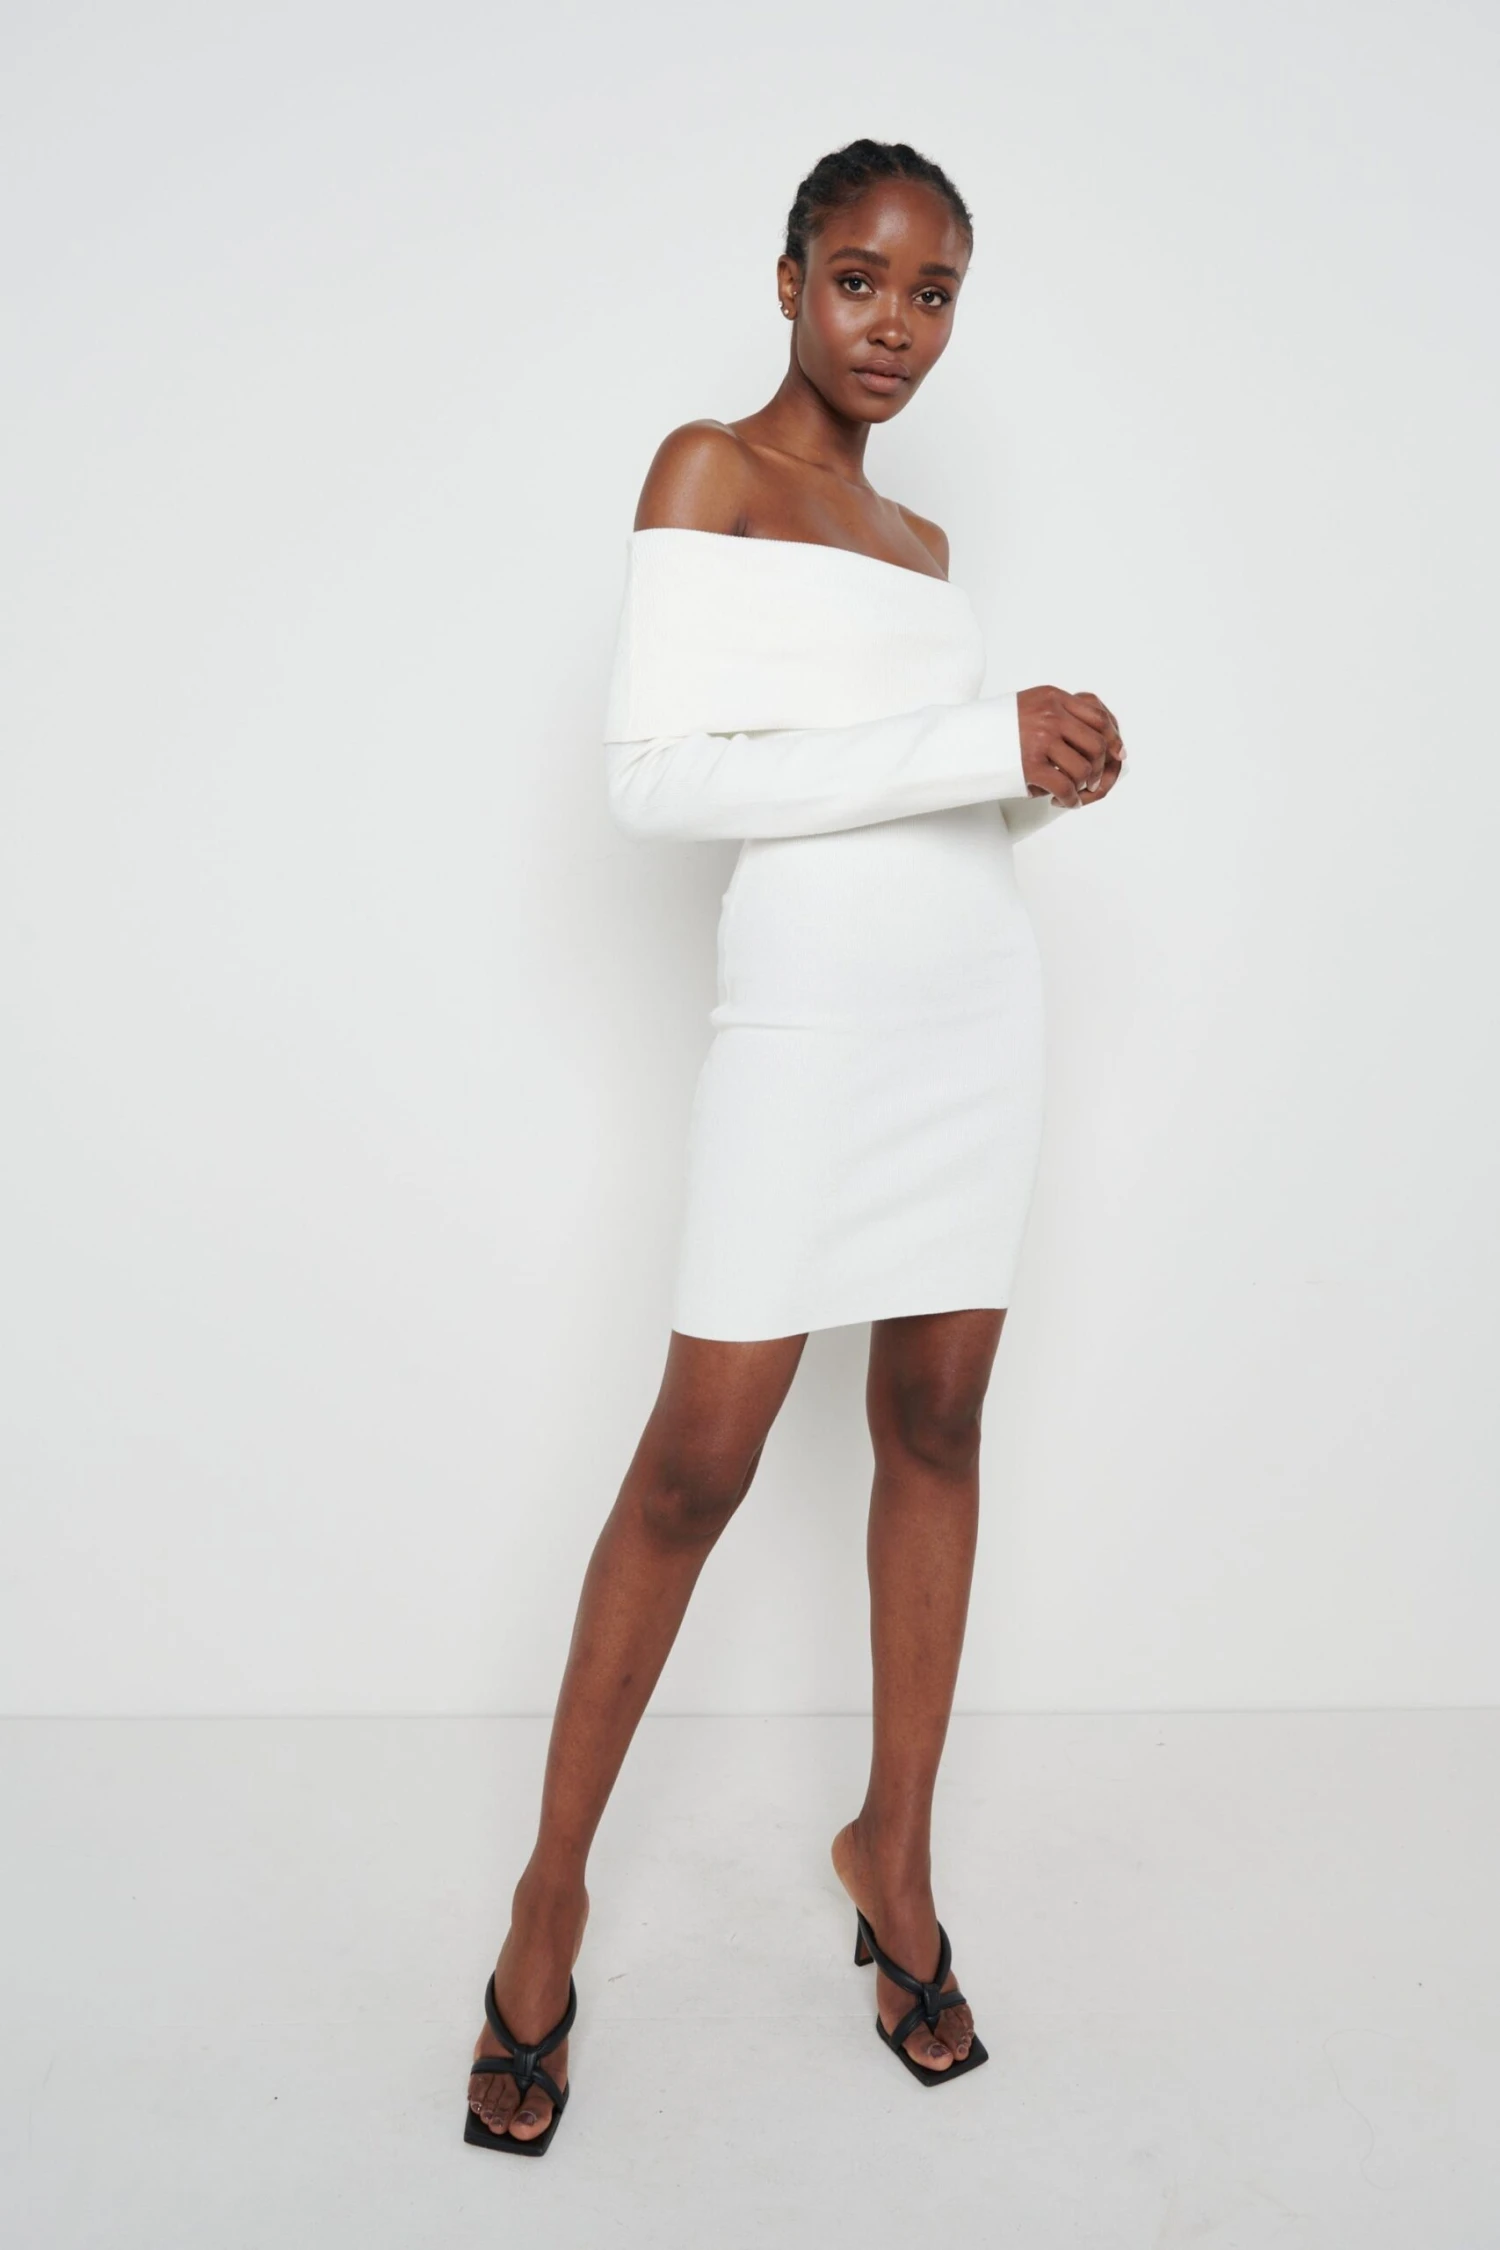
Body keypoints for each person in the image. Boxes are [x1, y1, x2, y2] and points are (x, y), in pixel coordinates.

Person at [465, 136, 1126, 2156]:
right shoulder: (712, 473)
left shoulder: (924, 545)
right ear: (786, 281)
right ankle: (548, 1906)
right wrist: (973, 738)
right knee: (697, 1463)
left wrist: (1034, 782)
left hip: (971, 1022)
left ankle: (891, 1858)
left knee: (937, 1425)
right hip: (809, 1034)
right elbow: (664, 784)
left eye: (932, 294)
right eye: (859, 279)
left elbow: (909, 804)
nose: (893, 326)